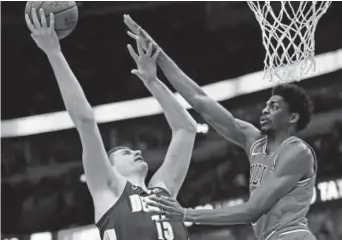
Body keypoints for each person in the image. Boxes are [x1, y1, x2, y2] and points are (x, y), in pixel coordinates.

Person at [124, 15, 317, 240]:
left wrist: (186, 213)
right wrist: (158, 56)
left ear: (292, 117)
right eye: (266, 105)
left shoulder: (297, 152)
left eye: (273, 107)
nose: (264, 110)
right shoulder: (252, 140)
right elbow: (199, 99)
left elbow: (252, 210)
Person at [25, 9, 197, 240]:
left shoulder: (163, 191)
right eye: (125, 152)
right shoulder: (109, 189)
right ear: (110, 167)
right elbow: (85, 120)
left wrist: (153, 82)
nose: (137, 151)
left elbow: (186, 129)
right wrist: (54, 53)